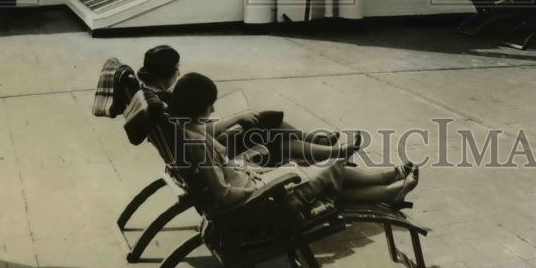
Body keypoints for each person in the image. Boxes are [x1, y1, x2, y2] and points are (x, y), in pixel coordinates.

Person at [167, 73, 419, 210]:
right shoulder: (197, 143)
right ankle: (386, 183)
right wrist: (265, 185)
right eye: (210, 106)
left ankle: (388, 187)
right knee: (333, 166)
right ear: (199, 107)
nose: (212, 110)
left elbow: (223, 180)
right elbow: (224, 195)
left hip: (261, 187)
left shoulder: (186, 132)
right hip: (266, 200)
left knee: (327, 176)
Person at [136, 45, 357, 166]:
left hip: (200, 150)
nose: (178, 72)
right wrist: (234, 119)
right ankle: (331, 151)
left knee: (267, 122)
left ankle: (318, 144)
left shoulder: (151, 96)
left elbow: (191, 130)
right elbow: (196, 133)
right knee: (272, 133)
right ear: (166, 74)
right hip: (208, 154)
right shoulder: (162, 103)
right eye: (176, 68)